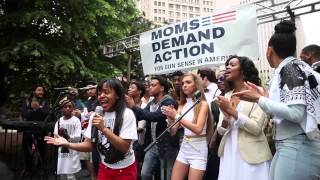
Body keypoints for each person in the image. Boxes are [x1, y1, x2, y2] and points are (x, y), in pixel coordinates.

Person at [233, 20, 320, 180]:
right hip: (290, 145)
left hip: (296, 146)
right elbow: (286, 109)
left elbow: (296, 113)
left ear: (269, 50)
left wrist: (259, 99)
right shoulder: (292, 68)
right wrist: (264, 97)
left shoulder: (290, 69)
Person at [45, 78, 138, 180]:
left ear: (117, 95)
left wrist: (104, 129)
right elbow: (89, 145)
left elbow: (124, 147)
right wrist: (68, 144)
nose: (101, 96)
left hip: (125, 170)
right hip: (105, 168)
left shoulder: (127, 114)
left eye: (106, 92)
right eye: (99, 93)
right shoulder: (96, 115)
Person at [216, 55, 272, 180]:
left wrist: (232, 112)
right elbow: (220, 130)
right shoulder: (227, 95)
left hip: (252, 153)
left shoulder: (258, 92)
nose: (227, 68)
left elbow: (257, 128)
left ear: (243, 70)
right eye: (227, 65)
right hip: (229, 151)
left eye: (232, 65)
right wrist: (226, 117)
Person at [125, 75, 179, 180]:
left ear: (162, 88)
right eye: (149, 85)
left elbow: (155, 117)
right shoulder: (152, 102)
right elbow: (142, 114)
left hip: (166, 146)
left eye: (153, 85)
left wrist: (134, 106)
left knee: (166, 176)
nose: (149, 87)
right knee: (145, 174)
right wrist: (131, 107)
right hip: (152, 145)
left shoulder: (169, 102)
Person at [161, 72, 211, 180]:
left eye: (188, 82)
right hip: (184, 147)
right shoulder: (182, 105)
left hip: (198, 150)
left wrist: (176, 116)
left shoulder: (203, 104)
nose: (184, 85)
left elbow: (198, 129)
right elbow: (173, 132)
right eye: (183, 83)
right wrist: (170, 120)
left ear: (196, 84)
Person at [21, 84, 50, 176]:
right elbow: (24, 114)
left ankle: (41, 169)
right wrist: (33, 110)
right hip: (28, 130)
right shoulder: (27, 101)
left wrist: (38, 109)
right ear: (34, 91)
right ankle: (29, 169)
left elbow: (47, 114)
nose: (41, 92)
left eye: (42, 90)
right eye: (39, 90)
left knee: (42, 150)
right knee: (27, 150)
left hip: (41, 130)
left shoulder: (45, 102)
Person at [54, 100, 82, 180]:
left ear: (73, 108)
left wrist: (67, 136)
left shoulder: (76, 120)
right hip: (61, 150)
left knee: (70, 174)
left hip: (72, 149)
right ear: (62, 109)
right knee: (62, 174)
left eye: (70, 106)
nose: (67, 108)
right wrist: (59, 137)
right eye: (65, 106)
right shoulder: (59, 121)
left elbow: (78, 137)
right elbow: (55, 135)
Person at [127, 80, 146, 179]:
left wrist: (126, 129)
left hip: (139, 142)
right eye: (129, 87)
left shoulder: (145, 106)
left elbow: (141, 127)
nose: (129, 89)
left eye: (132, 87)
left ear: (139, 91)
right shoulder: (125, 105)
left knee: (137, 169)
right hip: (126, 142)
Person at [80, 81, 99, 180]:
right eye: (88, 89)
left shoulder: (100, 100)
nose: (89, 90)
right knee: (85, 156)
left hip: (97, 132)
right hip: (86, 131)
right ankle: (92, 176)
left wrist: (93, 113)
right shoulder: (87, 102)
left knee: (95, 157)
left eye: (92, 88)